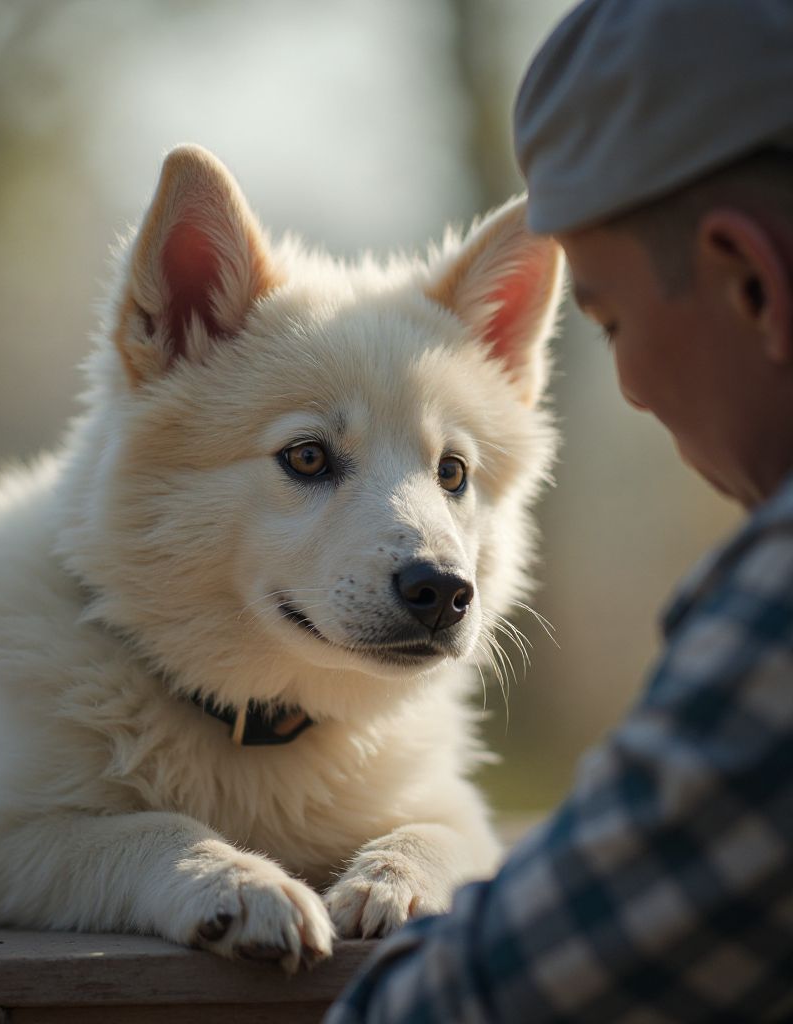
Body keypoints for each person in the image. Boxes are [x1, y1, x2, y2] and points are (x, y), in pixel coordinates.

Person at [324, 0, 793, 1019]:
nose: (628, 389)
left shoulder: (779, 628)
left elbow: (479, 1002)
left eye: (611, 318)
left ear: (753, 284)